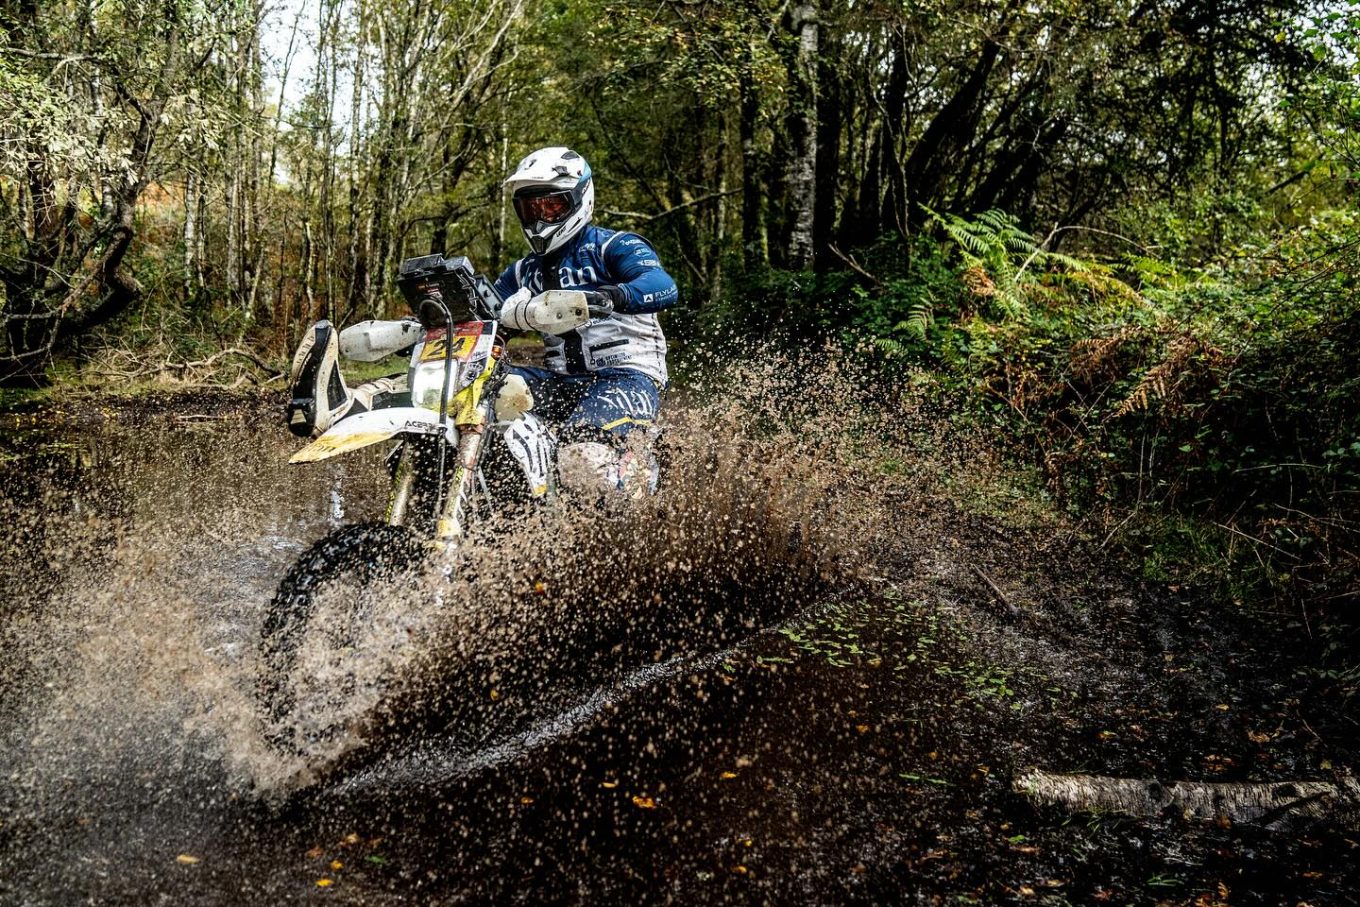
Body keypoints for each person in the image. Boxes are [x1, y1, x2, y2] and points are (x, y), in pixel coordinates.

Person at [284, 146, 677, 496]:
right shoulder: (523, 271)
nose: (540, 217)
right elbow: (483, 320)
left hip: (627, 376)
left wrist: (606, 296)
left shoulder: (615, 245)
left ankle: (640, 481)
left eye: (551, 206)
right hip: (559, 381)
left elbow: (662, 285)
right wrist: (415, 330)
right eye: (530, 208)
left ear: (579, 199)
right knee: (468, 386)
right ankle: (348, 404)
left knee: (582, 461)